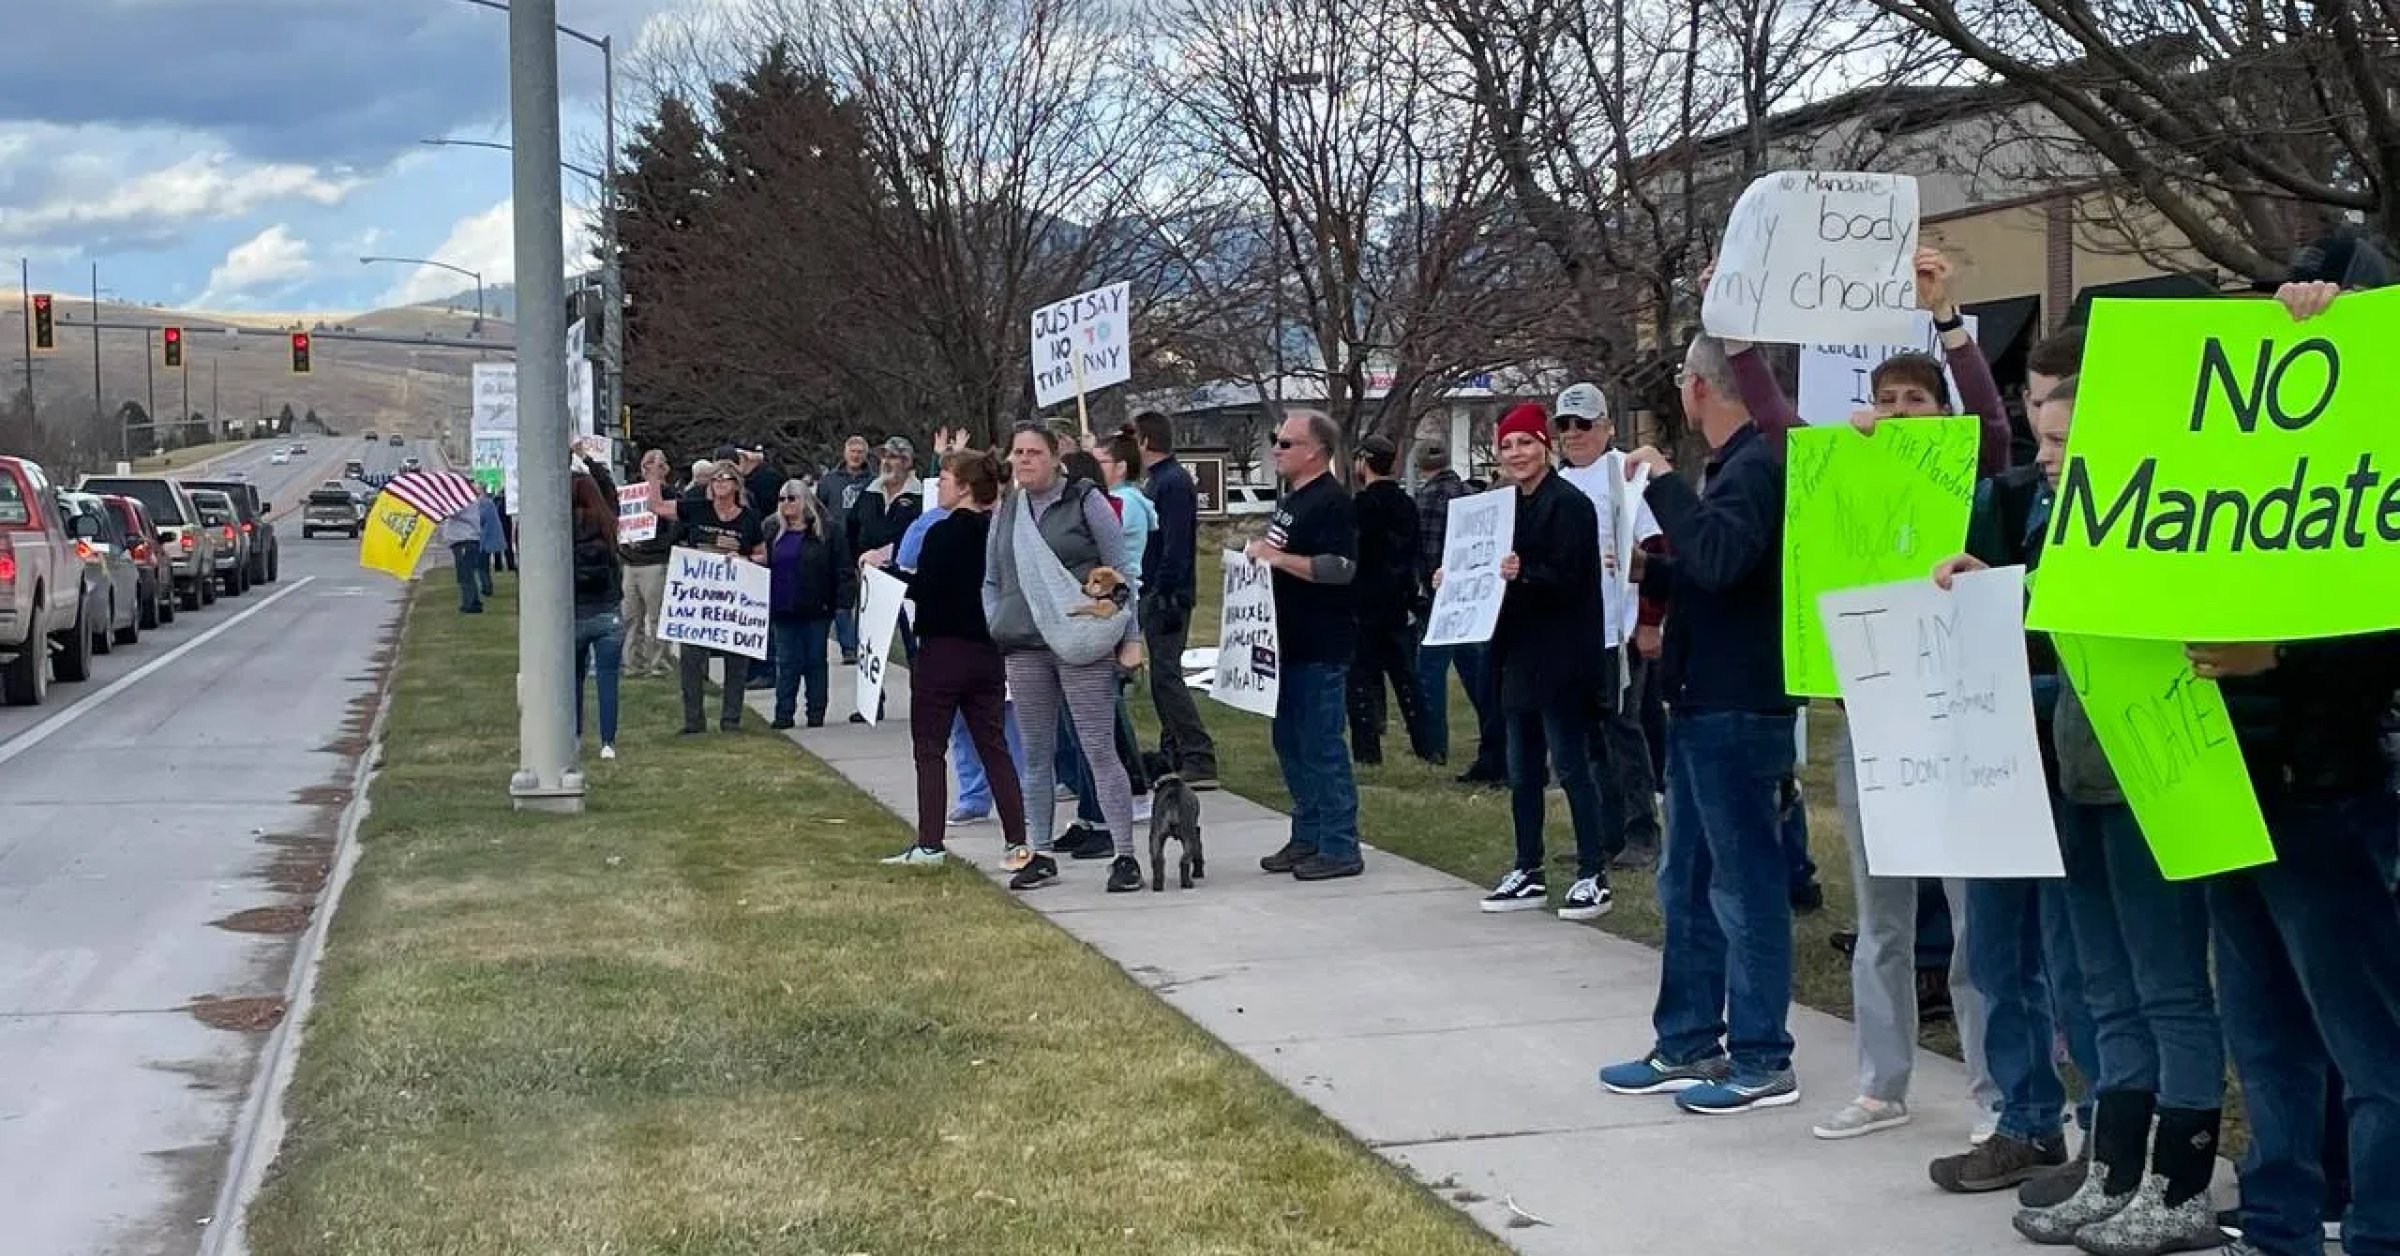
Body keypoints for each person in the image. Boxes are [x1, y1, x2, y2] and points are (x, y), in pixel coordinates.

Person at [1938, 372, 2226, 1253]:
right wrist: (1997, 593)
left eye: (2065, 445)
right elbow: (2068, 651)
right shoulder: (2060, 522)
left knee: (2169, 987)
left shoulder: (2162, 525)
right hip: (2077, 776)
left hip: (2150, 780)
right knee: (2103, 987)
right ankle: (2116, 1169)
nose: (2049, 461)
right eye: (2046, 442)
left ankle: (2180, 1183)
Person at [2181, 270, 2400, 1256]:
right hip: (2223, 784)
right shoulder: (2217, 469)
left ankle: (2381, 1224)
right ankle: (2278, 1220)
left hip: (2329, 791)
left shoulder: (2373, 469)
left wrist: (2282, 655)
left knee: (2366, 1038)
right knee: (2263, 1032)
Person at [1596, 334, 1799, 1115]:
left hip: (1740, 705)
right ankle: (1687, 1040)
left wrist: (1666, 488)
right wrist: (1652, 569)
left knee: (1743, 885)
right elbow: (1719, 574)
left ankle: (1761, 1055)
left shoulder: (1755, 467)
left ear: (1696, 388)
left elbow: (1722, 558)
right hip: (1702, 698)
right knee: (1684, 880)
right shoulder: (1736, 466)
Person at [1457, 403, 1613, 921]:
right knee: (1521, 770)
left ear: (1544, 445)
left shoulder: (1568, 504)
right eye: (1506, 445)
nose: (1516, 454)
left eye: (1525, 442)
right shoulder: (1501, 506)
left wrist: (1524, 572)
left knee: (1570, 764)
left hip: (1562, 653)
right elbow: (1484, 568)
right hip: (1515, 652)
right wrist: (1455, 582)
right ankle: (1529, 867)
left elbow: (1570, 577)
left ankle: (1593, 871)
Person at [983, 424, 1144, 894]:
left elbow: (1121, 575)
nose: (1025, 460)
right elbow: (991, 577)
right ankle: (1040, 852)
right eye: (1018, 453)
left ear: (1057, 458)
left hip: (1081, 645)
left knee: (1098, 748)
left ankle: (1125, 855)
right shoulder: (1008, 510)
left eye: (1034, 452)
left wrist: (1128, 635)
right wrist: (997, 620)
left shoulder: (1086, 501)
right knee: (1035, 754)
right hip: (1025, 645)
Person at [882, 446, 1029, 867]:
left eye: (946, 479)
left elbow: (925, 588)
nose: (941, 485)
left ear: (964, 487)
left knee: (930, 747)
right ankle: (1016, 838)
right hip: (987, 651)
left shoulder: (943, 533)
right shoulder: (998, 533)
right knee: (993, 745)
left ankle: (930, 842)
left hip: (943, 649)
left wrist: (885, 575)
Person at [1249, 410, 1366, 882]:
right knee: (1290, 743)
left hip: (1321, 644)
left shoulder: (1332, 503)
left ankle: (1340, 843)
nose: (1277, 449)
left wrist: (1277, 558)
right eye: (1277, 441)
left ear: (1315, 451)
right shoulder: (1291, 500)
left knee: (1322, 746)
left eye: (1286, 443)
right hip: (1286, 644)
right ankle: (1308, 833)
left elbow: (1342, 567)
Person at [1551, 381, 1664, 868]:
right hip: (1573, 632)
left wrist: (1650, 622)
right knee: (1588, 738)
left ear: (1606, 427)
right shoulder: (1557, 482)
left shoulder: (1626, 474)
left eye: (1584, 424)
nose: (1574, 434)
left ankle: (1642, 832)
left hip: (1620, 628)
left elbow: (1656, 549)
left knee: (1624, 732)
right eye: (1565, 425)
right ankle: (1603, 830)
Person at [1132, 411, 1218, 788]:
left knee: (1167, 677)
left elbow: (1175, 543)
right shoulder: (1156, 482)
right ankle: (1173, 751)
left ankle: (1198, 754)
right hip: (1155, 589)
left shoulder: (1172, 483)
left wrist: (1164, 590)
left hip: (1168, 594)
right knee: (1160, 679)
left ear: (1145, 442)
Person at [1346, 434, 1438, 766]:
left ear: (1363, 462)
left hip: (1364, 604)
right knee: (1407, 680)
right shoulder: (1407, 504)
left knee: (1360, 682)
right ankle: (1428, 746)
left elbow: (1353, 555)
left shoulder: (1361, 506)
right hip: (1399, 601)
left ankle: (1367, 751)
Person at [1412, 441, 1496, 771]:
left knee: (1430, 671)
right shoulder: (1468, 494)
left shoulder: (1425, 498)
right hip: (1469, 591)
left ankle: (1433, 747)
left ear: (1420, 465)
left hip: (1438, 593)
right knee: (1474, 668)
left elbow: (1421, 547)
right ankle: (1493, 734)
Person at [675, 462, 766, 734]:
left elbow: (763, 556)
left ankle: (731, 720)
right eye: (715, 479)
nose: (719, 483)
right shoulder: (697, 509)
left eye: (725, 478)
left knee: (736, 661)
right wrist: (653, 476)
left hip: (734, 601)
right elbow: (657, 507)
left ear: (736, 484)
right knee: (691, 659)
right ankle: (693, 722)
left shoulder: (749, 518)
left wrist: (744, 559)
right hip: (698, 599)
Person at [764, 479, 849, 730]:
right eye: (782, 499)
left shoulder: (827, 531)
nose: (787, 504)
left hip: (816, 607)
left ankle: (816, 712)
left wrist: (842, 602)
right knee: (787, 662)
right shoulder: (771, 530)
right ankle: (783, 713)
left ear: (805, 501)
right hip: (782, 607)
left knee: (814, 662)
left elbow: (842, 567)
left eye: (792, 498)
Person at [568, 460, 625, 760]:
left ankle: (575, 736)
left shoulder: (560, 527)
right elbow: (611, 493)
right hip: (608, 610)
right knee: (608, 679)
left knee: (574, 678)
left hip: (575, 612)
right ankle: (608, 742)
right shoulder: (607, 522)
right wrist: (591, 462)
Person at [619, 449, 678, 678]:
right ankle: (633, 662)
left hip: (655, 562)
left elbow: (675, 530)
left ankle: (659, 662)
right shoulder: (632, 494)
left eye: (657, 465)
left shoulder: (670, 495)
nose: (651, 469)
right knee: (631, 617)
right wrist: (626, 545)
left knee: (656, 616)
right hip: (631, 563)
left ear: (665, 469)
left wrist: (651, 547)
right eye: (647, 465)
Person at [816, 435, 874, 664]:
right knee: (841, 598)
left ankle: (865, 643)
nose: (856, 455)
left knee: (865, 598)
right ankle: (848, 646)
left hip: (863, 544)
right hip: (835, 543)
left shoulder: (874, 481)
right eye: (852, 451)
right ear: (845, 453)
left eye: (860, 451)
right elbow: (819, 510)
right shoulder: (829, 481)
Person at [440, 497, 485, 614]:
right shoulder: (469, 500)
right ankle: (474, 601)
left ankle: (469, 603)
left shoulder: (464, 500)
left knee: (465, 574)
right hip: (464, 540)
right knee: (467, 573)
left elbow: (449, 511)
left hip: (464, 540)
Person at [475, 489, 506, 599]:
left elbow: (481, 520)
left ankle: (486, 588)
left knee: (482, 566)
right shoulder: (489, 503)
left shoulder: (484, 504)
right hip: (490, 539)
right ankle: (487, 587)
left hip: (486, 540)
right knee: (484, 566)